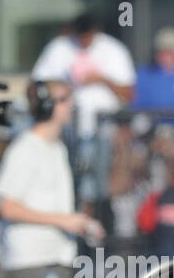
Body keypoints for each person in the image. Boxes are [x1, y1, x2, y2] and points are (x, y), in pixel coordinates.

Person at [0, 79, 103, 278]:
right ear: (46, 106)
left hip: (57, 257)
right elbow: (7, 207)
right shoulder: (25, 148)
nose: (70, 105)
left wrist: (80, 223)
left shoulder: (58, 148)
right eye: (64, 100)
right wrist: (62, 221)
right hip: (31, 261)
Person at [32, 13, 136, 202]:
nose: (84, 41)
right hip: (65, 128)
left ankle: (93, 209)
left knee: (95, 179)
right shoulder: (59, 48)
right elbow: (37, 86)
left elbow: (129, 93)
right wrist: (66, 83)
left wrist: (102, 79)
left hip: (104, 127)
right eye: (80, 36)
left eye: (88, 36)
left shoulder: (113, 49)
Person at [133, 27, 174, 132]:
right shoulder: (145, 74)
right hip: (149, 130)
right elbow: (137, 106)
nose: (169, 57)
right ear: (157, 54)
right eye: (166, 52)